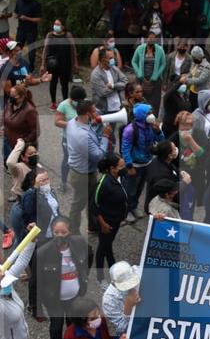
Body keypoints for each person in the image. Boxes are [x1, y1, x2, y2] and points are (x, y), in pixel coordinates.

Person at [35, 216, 90, 339]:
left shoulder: (79, 244)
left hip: (75, 297)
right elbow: (36, 282)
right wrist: (36, 307)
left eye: (63, 232)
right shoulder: (43, 253)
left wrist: (83, 277)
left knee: (73, 326)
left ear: (70, 231)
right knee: (56, 327)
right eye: (56, 232)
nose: (59, 235)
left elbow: (88, 258)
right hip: (54, 300)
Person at [67, 100, 112, 234]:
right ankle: (73, 231)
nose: (97, 112)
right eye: (94, 110)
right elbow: (98, 156)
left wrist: (94, 125)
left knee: (91, 200)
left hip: (80, 170)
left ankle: (92, 225)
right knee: (78, 204)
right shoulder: (83, 136)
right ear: (87, 114)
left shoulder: (73, 122)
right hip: (83, 175)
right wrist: (105, 136)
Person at [122, 103, 165, 221]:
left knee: (139, 188)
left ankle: (133, 207)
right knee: (130, 190)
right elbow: (125, 149)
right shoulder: (130, 130)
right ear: (142, 115)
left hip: (147, 163)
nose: (151, 115)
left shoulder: (151, 127)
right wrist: (129, 165)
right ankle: (126, 211)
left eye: (151, 112)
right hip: (135, 165)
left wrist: (158, 131)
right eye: (148, 113)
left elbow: (161, 141)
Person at [93, 154, 129, 283]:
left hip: (116, 219)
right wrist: (103, 224)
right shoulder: (104, 183)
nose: (124, 168)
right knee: (102, 248)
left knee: (108, 244)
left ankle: (113, 266)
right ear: (112, 168)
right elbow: (94, 205)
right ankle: (100, 277)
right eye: (121, 166)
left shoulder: (119, 177)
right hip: (107, 222)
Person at [42, 19, 78, 108]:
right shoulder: (50, 35)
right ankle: (53, 102)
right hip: (52, 64)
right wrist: (43, 64)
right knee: (53, 83)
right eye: (55, 24)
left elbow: (73, 50)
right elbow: (45, 50)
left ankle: (65, 102)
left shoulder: (68, 35)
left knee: (64, 84)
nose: (56, 26)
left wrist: (75, 63)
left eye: (58, 24)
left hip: (65, 64)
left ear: (63, 26)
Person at [1, 83, 39, 155]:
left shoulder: (30, 111)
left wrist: (23, 141)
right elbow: (4, 117)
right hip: (8, 144)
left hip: (21, 148)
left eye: (13, 96)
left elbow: (35, 132)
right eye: (10, 95)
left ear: (22, 97)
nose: (11, 98)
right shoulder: (10, 104)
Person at [90, 48, 129, 115]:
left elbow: (125, 82)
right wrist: (119, 87)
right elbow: (103, 92)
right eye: (111, 58)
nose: (114, 60)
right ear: (103, 60)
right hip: (103, 110)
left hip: (118, 107)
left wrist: (113, 86)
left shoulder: (114, 68)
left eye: (113, 57)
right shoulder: (96, 74)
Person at [14, 0, 42, 66]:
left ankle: (31, 65)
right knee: (18, 47)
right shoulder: (19, 1)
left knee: (31, 49)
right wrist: (17, 16)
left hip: (31, 30)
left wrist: (27, 18)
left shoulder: (35, 4)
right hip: (21, 29)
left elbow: (39, 19)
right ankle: (17, 63)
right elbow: (15, 12)